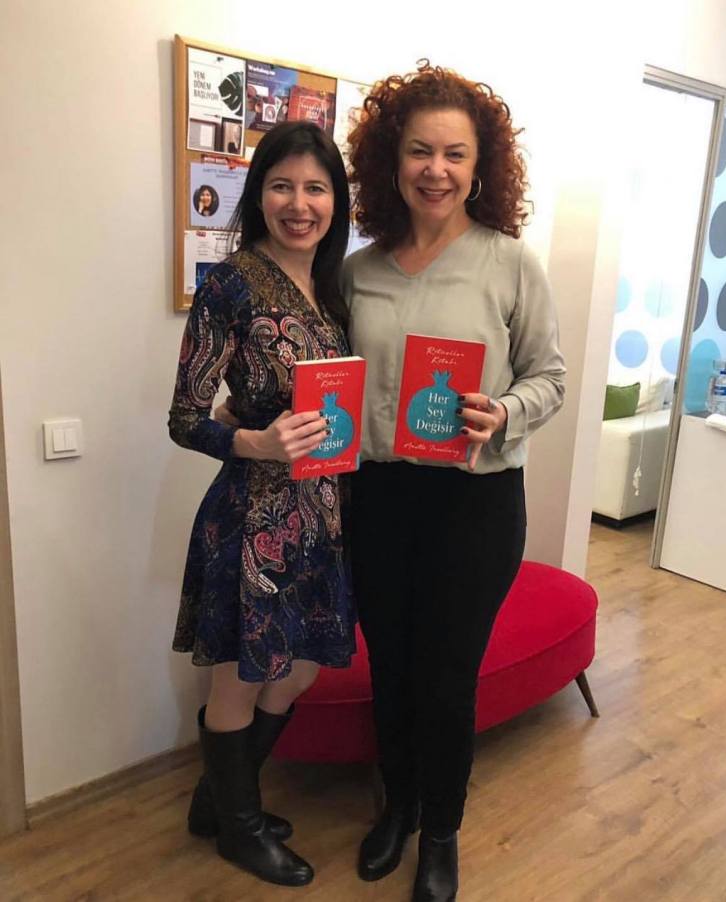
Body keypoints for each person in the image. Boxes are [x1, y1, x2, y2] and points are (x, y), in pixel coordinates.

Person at [343, 62, 565, 901]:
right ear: (391, 160)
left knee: (445, 677)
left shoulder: (511, 264)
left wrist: (504, 411)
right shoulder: (359, 271)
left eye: (454, 154)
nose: (435, 170)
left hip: (474, 503)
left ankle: (441, 830)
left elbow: (550, 377)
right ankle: (397, 806)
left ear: (480, 167)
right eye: (419, 151)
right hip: (380, 498)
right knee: (391, 668)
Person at [168, 120, 355, 888]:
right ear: (259, 195)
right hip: (253, 518)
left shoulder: (333, 289)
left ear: (336, 202)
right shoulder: (230, 284)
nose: (299, 204)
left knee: (299, 670)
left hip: (322, 516)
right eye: (282, 186)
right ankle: (239, 829)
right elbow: (185, 418)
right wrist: (255, 442)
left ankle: (218, 802)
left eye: (316, 188)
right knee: (241, 678)